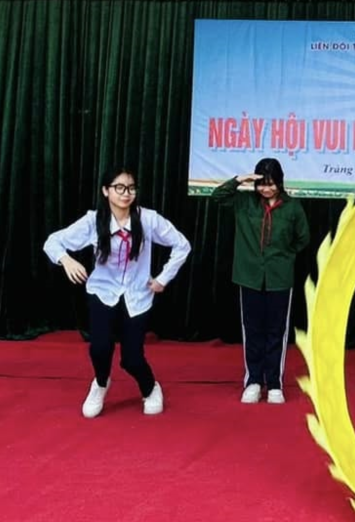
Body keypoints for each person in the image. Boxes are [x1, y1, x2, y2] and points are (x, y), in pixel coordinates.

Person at [44, 166, 192, 419]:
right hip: (103, 292)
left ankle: (150, 388)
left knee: (131, 358)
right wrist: (66, 260)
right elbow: (52, 241)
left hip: (137, 295)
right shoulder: (93, 221)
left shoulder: (148, 219)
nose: (126, 193)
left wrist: (163, 278)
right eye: (119, 188)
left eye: (131, 188)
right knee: (100, 348)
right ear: (106, 191)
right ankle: (100, 383)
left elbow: (182, 245)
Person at [212, 158, 310, 404]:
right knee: (252, 330)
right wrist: (240, 179)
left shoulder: (293, 208)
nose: (266, 189)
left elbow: (303, 238)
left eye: (271, 184)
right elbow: (217, 197)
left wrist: (284, 256)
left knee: (277, 331)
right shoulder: (244, 202)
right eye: (262, 184)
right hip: (249, 276)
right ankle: (254, 381)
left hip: (279, 277)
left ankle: (275, 384)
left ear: (280, 182)